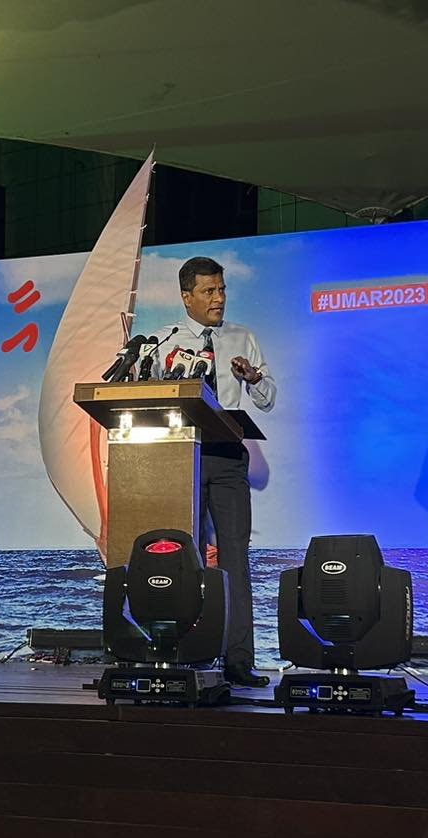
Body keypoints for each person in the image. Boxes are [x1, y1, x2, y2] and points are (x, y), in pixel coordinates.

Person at [155, 256, 276, 687]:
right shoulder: (164, 341)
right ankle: (182, 650)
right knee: (180, 556)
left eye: (222, 289)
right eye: (209, 291)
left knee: (234, 558)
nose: (219, 298)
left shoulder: (242, 337)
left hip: (226, 458)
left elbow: (267, 399)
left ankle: (239, 659)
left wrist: (254, 377)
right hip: (181, 455)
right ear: (186, 296)